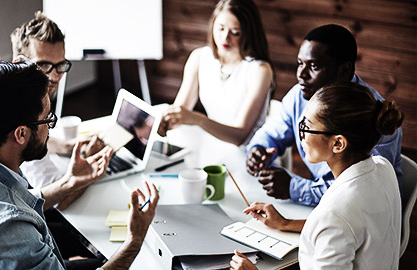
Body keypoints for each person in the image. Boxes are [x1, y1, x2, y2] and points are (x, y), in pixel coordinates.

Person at [0, 61, 159, 269]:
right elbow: (10, 217)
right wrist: (134, 239)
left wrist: (70, 182)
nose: (50, 127)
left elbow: (18, 202)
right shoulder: (8, 229)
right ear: (21, 134)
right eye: (48, 119)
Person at [231, 82, 403, 269]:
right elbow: (349, 230)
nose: (300, 135)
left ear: (338, 144)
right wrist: (285, 223)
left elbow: (337, 223)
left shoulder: (335, 213)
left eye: (306, 126)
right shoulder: (383, 167)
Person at [0, 11, 104, 209]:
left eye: (60, 65)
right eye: (43, 65)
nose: (54, 76)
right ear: (19, 63)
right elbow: (57, 199)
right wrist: (89, 169)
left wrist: (68, 147)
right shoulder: (23, 115)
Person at [246, 24, 402, 206]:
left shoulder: (372, 116)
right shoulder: (299, 95)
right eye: (300, 63)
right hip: (327, 208)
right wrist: (258, 149)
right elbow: (271, 134)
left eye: (314, 66)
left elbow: (363, 193)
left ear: (344, 71)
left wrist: (294, 188)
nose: (301, 74)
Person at [160, 0, 274, 146]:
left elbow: (240, 137)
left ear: (248, 33)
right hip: (213, 144)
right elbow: (181, 112)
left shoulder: (260, 71)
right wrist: (164, 122)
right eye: (221, 28)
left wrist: (197, 119)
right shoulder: (200, 57)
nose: (226, 38)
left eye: (235, 33)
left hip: (250, 153)